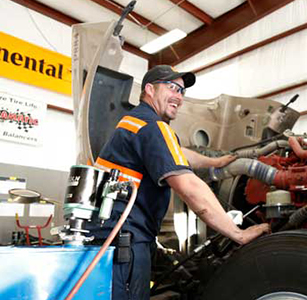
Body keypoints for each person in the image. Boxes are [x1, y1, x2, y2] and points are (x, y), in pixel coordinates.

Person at [87, 65, 270, 300]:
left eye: (182, 91)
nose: (179, 97)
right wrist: (238, 234)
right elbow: (190, 188)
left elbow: (178, 153)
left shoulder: (135, 122)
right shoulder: (153, 127)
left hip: (112, 236)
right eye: (172, 87)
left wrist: (216, 162)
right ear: (149, 89)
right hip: (126, 241)